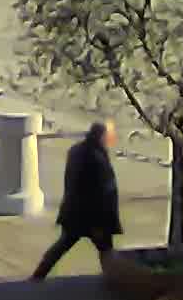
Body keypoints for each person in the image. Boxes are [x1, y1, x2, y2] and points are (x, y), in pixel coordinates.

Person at [32, 120, 124, 279]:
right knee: (106, 249)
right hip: (93, 217)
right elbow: (101, 192)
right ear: (102, 136)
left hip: (74, 212)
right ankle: (113, 278)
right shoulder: (97, 158)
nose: (111, 139)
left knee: (64, 245)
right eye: (109, 136)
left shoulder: (77, 151)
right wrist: (102, 220)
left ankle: (39, 274)